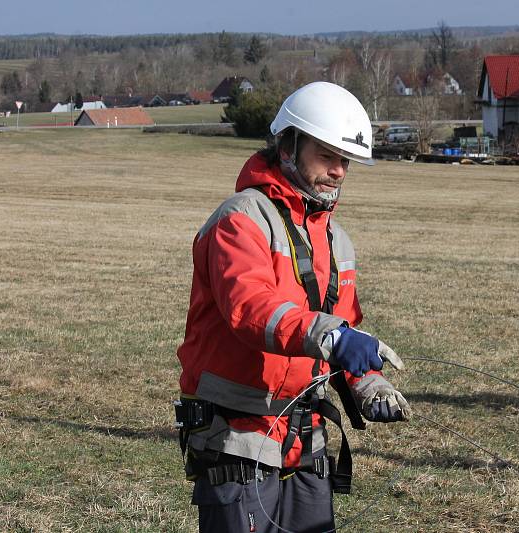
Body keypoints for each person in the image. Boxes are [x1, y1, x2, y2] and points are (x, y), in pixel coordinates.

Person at [174, 81, 411, 533]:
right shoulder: (241, 219)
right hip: (238, 437)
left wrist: (367, 382)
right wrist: (333, 336)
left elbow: (345, 329)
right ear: (288, 146)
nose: (339, 171)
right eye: (327, 155)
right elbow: (251, 309)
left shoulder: (334, 239)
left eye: (346, 161)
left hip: (306, 437)